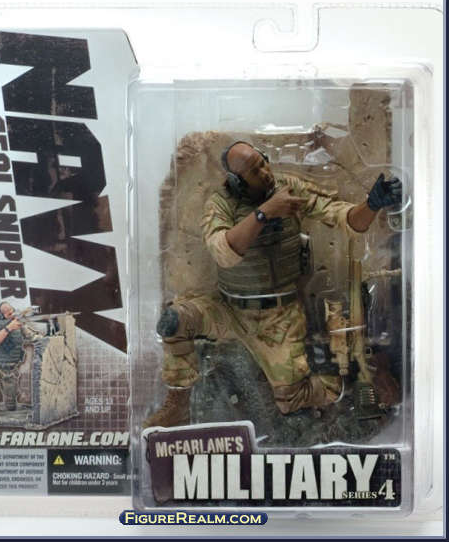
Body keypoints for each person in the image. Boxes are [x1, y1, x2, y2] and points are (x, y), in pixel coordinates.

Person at [144, 141, 402, 428]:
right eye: (255, 171)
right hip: (228, 309)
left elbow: (341, 216)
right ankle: (178, 405)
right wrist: (264, 213)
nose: (266, 172)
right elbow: (223, 252)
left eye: (263, 162)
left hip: (278, 319)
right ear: (236, 180)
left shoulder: (287, 189)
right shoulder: (221, 204)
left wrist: (371, 205)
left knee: (291, 400)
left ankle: (344, 382)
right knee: (173, 322)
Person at [0, 301, 44, 418]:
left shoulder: (19, 325)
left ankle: (12, 397)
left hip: (11, 370)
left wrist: (46, 338)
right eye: (8, 313)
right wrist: (9, 328)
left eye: (12, 310)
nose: (12, 314)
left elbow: (33, 336)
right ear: (1, 315)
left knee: (11, 407)